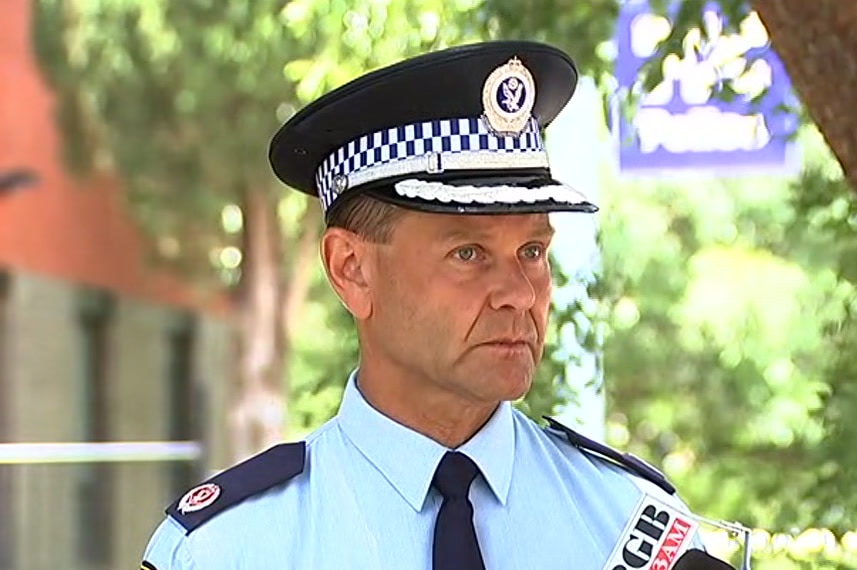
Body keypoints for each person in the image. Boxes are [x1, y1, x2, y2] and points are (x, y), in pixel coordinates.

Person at [140, 40, 738, 570]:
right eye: (470, 253)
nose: (520, 294)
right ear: (352, 270)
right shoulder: (227, 551)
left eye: (532, 250)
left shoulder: (634, 534)